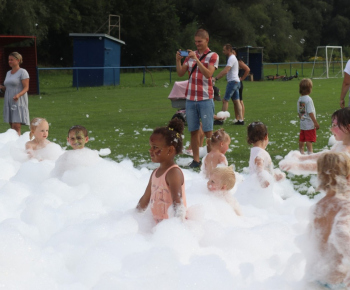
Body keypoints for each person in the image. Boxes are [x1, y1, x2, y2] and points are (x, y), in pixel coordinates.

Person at [176, 29, 219, 168]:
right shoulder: (189, 57)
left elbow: (208, 74)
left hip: (205, 98)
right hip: (190, 98)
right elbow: (181, 73)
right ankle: (196, 160)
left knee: (208, 132)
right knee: (193, 130)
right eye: (195, 42)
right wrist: (178, 61)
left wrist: (196, 60)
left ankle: (211, 160)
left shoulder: (213, 56)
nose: (197, 44)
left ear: (207, 40)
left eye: (199, 42)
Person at [306, 152, 350, 288]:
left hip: (317, 275)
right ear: (348, 178)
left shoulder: (318, 206)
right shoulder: (344, 205)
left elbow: (310, 239)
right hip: (338, 280)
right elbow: (341, 233)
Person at [136, 118, 187, 223]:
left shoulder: (173, 173)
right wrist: (133, 217)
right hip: (159, 227)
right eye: (151, 147)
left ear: (170, 150)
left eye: (155, 147)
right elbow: (145, 199)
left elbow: (178, 204)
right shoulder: (155, 173)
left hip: (172, 227)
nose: (151, 150)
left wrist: (179, 226)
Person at [280, 107, 350, 173]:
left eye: (334, 125)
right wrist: (302, 158)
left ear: (348, 128)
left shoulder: (346, 152)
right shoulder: (341, 144)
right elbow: (326, 156)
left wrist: (297, 166)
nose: (331, 129)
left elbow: (326, 167)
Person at [248, 122, 285, 188]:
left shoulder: (254, 151)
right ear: (266, 136)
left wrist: (276, 176)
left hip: (254, 186)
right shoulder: (260, 153)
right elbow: (259, 167)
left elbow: (266, 170)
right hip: (261, 189)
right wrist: (263, 181)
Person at [0, 52, 30, 135]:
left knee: (16, 127)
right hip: (9, 101)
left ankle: (19, 146)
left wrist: (18, 95)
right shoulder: (8, 73)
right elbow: (7, 87)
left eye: (11, 60)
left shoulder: (23, 72)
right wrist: (2, 88)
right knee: (12, 130)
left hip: (18, 101)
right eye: (9, 60)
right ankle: (14, 145)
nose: (9, 61)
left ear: (18, 60)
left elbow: (26, 87)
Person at [214, 44, 244, 125]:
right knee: (237, 101)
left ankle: (221, 119)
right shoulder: (233, 58)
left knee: (225, 100)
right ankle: (241, 120)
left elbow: (226, 70)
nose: (223, 52)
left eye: (224, 50)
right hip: (237, 81)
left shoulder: (231, 58)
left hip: (232, 82)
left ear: (228, 50)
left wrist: (216, 78)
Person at [297, 78, 319, 154]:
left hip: (303, 123)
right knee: (309, 140)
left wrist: (302, 118)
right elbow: (310, 112)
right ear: (309, 89)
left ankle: (301, 152)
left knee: (302, 139)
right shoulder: (308, 100)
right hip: (309, 124)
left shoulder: (300, 99)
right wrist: (315, 122)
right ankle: (310, 153)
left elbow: (300, 112)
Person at [232, 48, 250, 122]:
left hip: (238, 82)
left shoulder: (238, 61)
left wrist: (242, 78)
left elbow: (247, 69)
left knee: (240, 101)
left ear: (236, 53)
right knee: (235, 101)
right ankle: (237, 117)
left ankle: (241, 117)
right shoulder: (232, 60)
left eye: (233, 52)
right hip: (234, 82)